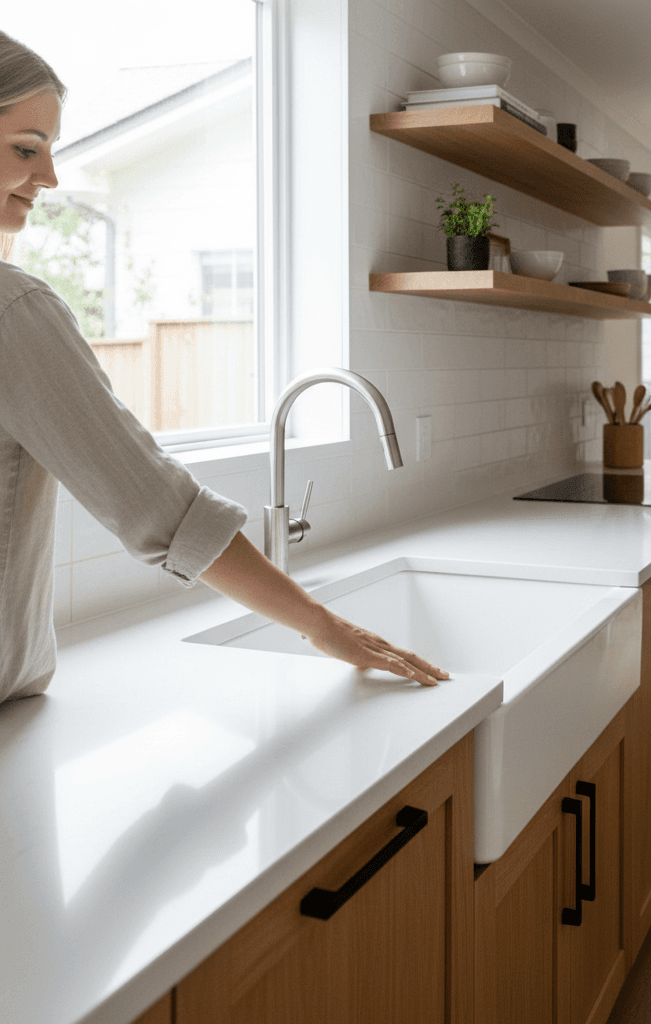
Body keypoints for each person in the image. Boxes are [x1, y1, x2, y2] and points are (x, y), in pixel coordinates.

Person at [0, 31, 447, 705]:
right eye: (26, 148)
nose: (51, 177)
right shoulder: (13, 309)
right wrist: (323, 626)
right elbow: (160, 510)